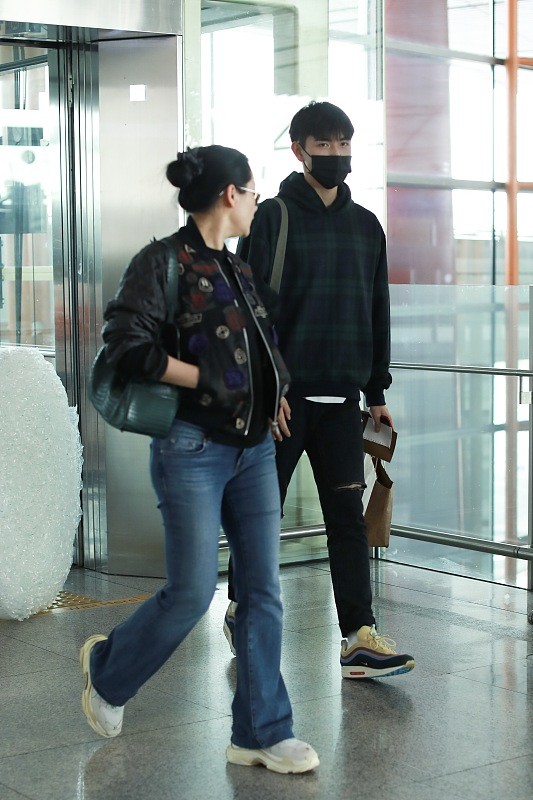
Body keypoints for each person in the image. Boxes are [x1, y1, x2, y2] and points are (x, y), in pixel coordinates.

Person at [80, 145, 319, 774]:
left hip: (255, 449)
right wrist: (208, 376)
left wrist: (275, 395)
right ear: (227, 196)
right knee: (189, 594)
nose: (258, 198)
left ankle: (261, 733)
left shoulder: (236, 267)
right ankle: (109, 671)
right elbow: (127, 346)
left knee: (263, 592)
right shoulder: (161, 262)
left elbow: (261, 343)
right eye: (252, 188)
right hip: (192, 449)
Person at [224, 102, 415, 679]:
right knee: (263, 515)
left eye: (343, 143)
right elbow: (245, 311)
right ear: (299, 150)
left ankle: (358, 635)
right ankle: (243, 608)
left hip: (342, 402)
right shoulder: (270, 219)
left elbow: (376, 311)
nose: (336, 155)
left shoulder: (366, 227)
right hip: (283, 401)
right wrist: (266, 388)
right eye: (323, 144)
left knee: (346, 520)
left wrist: (376, 388)